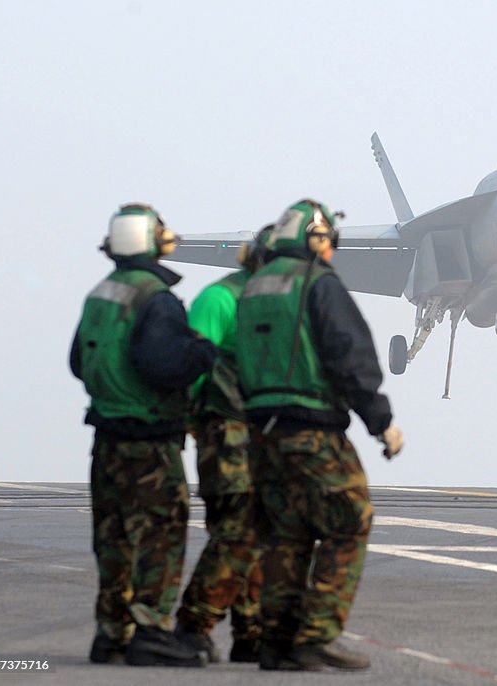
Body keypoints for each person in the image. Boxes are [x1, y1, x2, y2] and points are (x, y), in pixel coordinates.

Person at [236, 199, 404, 671]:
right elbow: (350, 354)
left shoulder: (254, 288)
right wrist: (381, 422)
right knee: (349, 518)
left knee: (286, 535)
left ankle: (277, 643)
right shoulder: (318, 284)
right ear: (314, 239)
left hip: (262, 433)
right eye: (327, 239)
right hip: (312, 428)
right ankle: (316, 634)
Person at [70, 203, 217, 667]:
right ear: (153, 241)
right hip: (149, 439)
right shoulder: (155, 298)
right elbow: (162, 365)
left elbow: (78, 361)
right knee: (159, 535)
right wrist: (202, 353)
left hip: (106, 437)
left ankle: (112, 633)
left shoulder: (101, 294)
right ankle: (151, 629)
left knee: (113, 536)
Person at [174, 226, 273, 663]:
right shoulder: (220, 300)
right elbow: (191, 367)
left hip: (265, 433)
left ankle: (251, 632)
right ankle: (193, 626)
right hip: (226, 431)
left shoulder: (279, 303)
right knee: (236, 530)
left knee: (262, 532)